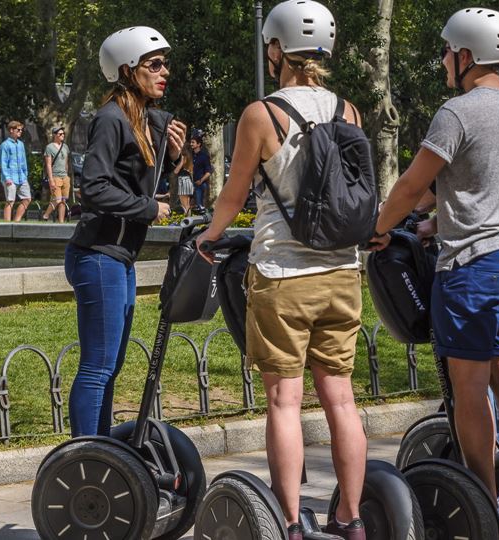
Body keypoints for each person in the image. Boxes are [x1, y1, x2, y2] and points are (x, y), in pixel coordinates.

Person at [196, 2, 367, 538]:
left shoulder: (262, 114)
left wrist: (210, 234)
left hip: (281, 273)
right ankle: (351, 518)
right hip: (343, 271)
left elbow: (234, 191)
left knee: (283, 400)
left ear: (277, 48)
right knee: (341, 397)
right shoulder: (350, 111)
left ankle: (290, 522)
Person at [368, 8, 499, 529]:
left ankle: (482, 503)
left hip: (468, 268)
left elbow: (410, 185)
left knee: (470, 391)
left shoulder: (457, 112)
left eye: (447, 50)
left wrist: (379, 226)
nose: (444, 59)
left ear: (467, 56)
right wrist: (437, 217)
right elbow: (485, 182)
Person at [66, 26, 179, 437]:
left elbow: (137, 180)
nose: (164, 71)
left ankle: (101, 453)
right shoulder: (111, 118)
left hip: (119, 257)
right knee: (98, 366)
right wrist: (149, 209)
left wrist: (173, 156)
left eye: (165, 63)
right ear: (128, 70)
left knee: (110, 366)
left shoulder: (145, 120)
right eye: (154, 64)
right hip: (97, 255)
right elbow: (93, 187)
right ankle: (86, 454)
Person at [0, 120, 31, 222]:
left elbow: (23, 160)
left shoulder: (21, 144)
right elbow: (3, 162)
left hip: (21, 177)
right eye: (18, 129)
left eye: (21, 130)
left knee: (27, 199)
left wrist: (25, 174)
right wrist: (7, 178)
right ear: (11, 130)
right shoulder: (5, 145)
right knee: (10, 201)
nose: (20, 131)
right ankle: (7, 224)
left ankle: (16, 221)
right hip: (10, 178)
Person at [41, 127, 71, 223]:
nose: (62, 135)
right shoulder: (49, 147)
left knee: (63, 201)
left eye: (63, 134)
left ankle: (61, 222)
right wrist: (51, 179)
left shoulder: (65, 147)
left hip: (64, 177)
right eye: (60, 134)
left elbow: (66, 163)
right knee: (57, 199)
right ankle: (46, 215)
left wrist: (67, 175)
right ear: (54, 135)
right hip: (55, 176)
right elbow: (48, 165)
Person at [190, 132, 212, 212]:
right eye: (191, 142)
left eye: (193, 142)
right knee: (189, 206)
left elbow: (208, 172)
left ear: (199, 144)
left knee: (200, 206)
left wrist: (201, 181)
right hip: (189, 184)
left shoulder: (204, 157)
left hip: (200, 185)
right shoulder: (190, 155)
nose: (191, 144)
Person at [175, 148, 193, 214]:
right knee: (187, 204)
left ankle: (187, 220)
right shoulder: (190, 161)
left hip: (183, 181)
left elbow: (176, 171)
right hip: (188, 181)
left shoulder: (183, 160)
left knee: (184, 205)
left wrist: (181, 162)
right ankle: (189, 219)